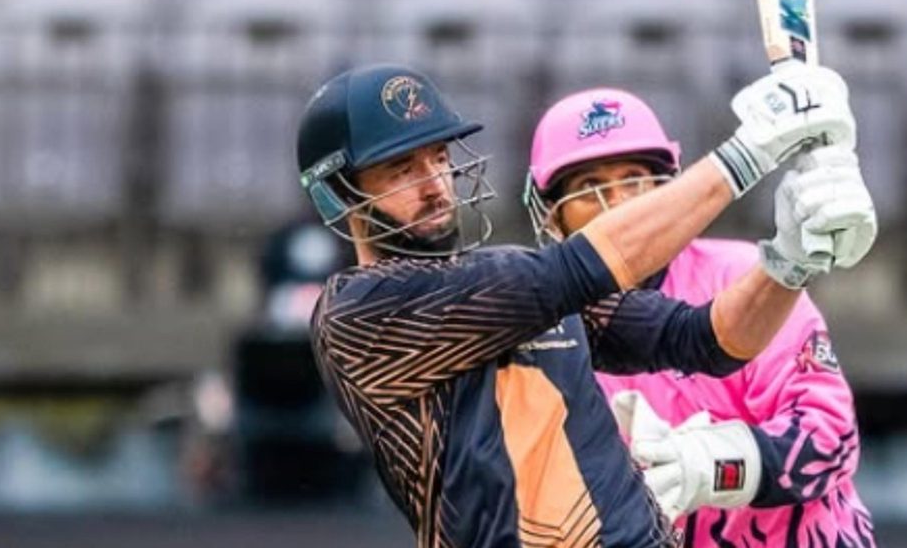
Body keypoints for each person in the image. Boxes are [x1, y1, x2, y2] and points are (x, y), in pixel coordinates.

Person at [295, 62, 868, 547]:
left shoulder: (518, 281)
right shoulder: (357, 312)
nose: (435, 185)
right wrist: (751, 151)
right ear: (339, 194)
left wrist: (788, 263)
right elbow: (575, 269)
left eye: (439, 158)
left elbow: (704, 339)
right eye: (402, 169)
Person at [524, 87, 876, 547]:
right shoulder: (539, 334)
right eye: (591, 188)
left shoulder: (747, 279)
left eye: (634, 179)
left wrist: (716, 463)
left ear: (667, 191)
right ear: (552, 215)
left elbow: (831, 439)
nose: (620, 205)